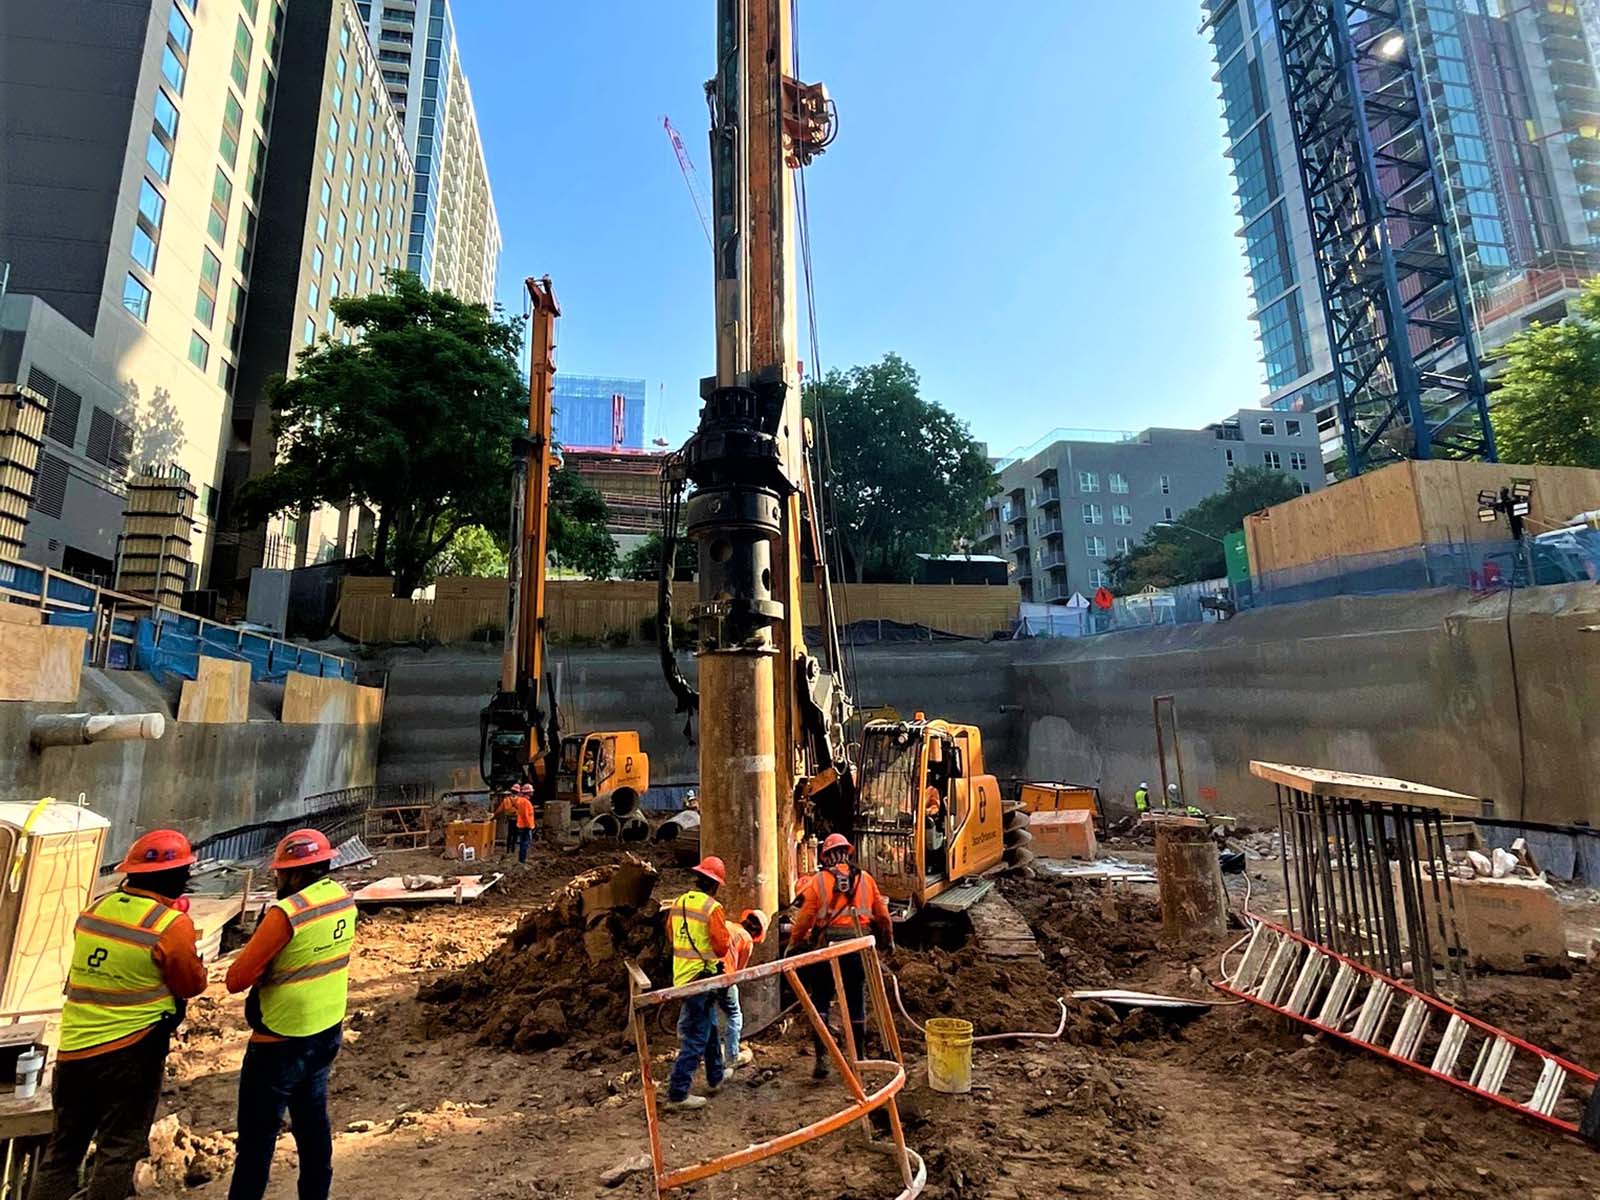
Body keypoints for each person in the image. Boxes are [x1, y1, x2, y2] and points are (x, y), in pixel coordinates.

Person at [33, 830, 208, 1200]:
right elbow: (191, 984)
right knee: (118, 1149)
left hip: (75, 1050)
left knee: (63, 1153)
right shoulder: (170, 925)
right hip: (132, 1051)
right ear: (173, 877)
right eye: (184, 872)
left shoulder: (94, 911)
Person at [225, 829, 357, 1200]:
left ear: (296, 874)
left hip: (278, 1041)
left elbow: (236, 980)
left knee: (256, 1142)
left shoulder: (286, 914)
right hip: (325, 1030)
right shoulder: (342, 899)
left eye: (280, 872)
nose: (277, 879)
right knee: (313, 1127)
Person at [789, 833, 894, 1080]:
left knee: (821, 999)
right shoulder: (865, 879)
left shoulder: (818, 881)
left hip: (828, 950)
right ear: (848, 853)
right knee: (856, 999)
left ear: (825, 857)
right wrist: (889, 941)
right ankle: (860, 1057)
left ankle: (822, 1058)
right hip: (858, 949)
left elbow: (804, 919)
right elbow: (883, 916)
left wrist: (794, 943)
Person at [663, 855, 731, 1111]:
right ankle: (678, 1093)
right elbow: (721, 947)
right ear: (714, 884)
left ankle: (716, 1077)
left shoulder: (679, 902)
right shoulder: (712, 908)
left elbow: (671, 935)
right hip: (701, 979)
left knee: (709, 1027)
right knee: (696, 1037)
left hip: (682, 975)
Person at [715, 909, 770, 1070]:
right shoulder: (746, 940)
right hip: (725, 977)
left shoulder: (727, 925)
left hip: (705, 974)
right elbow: (739, 972)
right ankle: (731, 1056)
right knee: (734, 1015)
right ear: (757, 932)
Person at [497, 783, 536, 863]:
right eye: (531, 791)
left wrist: (493, 817)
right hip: (524, 824)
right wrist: (530, 826)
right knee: (524, 842)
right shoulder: (524, 801)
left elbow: (499, 810)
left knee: (511, 836)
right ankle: (521, 859)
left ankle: (510, 851)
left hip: (516, 821)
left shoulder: (512, 800)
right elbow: (526, 815)